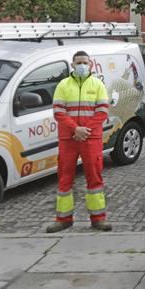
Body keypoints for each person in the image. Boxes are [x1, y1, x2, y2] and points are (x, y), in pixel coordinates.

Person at [49, 51, 112, 232]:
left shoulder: (98, 84)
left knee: (94, 177)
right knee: (64, 178)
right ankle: (63, 219)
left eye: (85, 62)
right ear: (73, 64)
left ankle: (98, 219)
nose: (82, 65)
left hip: (90, 138)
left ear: (91, 64)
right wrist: (75, 129)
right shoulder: (63, 85)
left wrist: (84, 131)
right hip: (69, 138)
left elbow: (102, 112)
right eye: (79, 62)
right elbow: (58, 112)